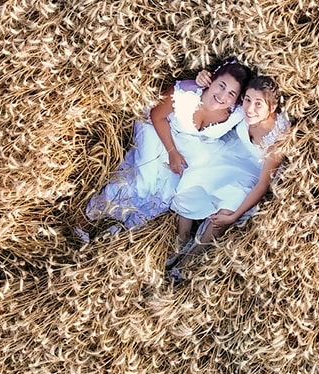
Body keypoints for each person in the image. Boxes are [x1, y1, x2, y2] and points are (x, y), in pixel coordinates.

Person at [73, 60, 251, 242]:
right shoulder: (185, 93)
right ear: (210, 80)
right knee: (144, 181)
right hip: (158, 129)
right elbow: (156, 116)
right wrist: (172, 152)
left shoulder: (235, 113)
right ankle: (85, 218)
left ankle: (121, 228)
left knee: (167, 192)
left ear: (238, 98)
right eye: (221, 86)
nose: (223, 96)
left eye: (231, 93)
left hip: (185, 143)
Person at [165, 71, 289, 270]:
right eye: (247, 99)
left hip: (253, 171)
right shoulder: (241, 110)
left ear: (272, 107)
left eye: (259, 104)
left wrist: (235, 215)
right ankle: (183, 235)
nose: (250, 108)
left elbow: (263, 183)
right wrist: (201, 81)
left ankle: (193, 255)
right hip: (230, 153)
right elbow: (215, 96)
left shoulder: (277, 136)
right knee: (194, 180)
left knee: (229, 205)